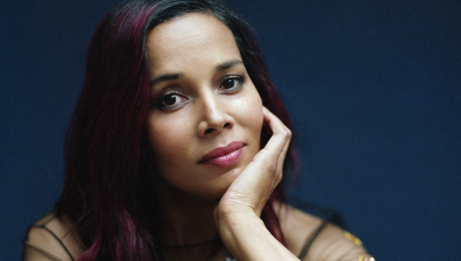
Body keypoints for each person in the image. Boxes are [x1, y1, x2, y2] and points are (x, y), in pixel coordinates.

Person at [23, 0, 375, 260]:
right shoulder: (64, 246)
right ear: (126, 126)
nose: (215, 118)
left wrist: (242, 222)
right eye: (171, 98)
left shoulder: (320, 246)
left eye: (230, 82)